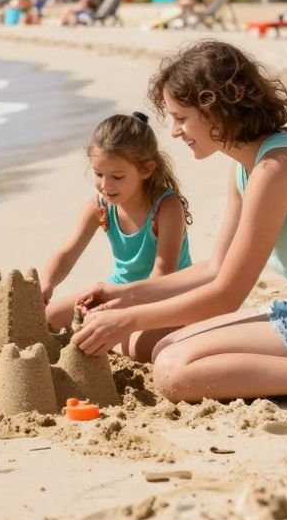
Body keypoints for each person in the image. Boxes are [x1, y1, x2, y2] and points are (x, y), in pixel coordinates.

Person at [72, 40, 287, 412]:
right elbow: (215, 268)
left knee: (173, 369)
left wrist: (126, 319)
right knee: (162, 345)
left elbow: (226, 295)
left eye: (181, 117)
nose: (173, 132)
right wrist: (125, 295)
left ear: (216, 110)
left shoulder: (277, 168)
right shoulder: (248, 167)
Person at [40, 113, 191, 360]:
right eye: (98, 174)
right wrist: (47, 282)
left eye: (117, 177)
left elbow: (162, 275)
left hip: (164, 298)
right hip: (115, 293)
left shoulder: (167, 208)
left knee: (138, 347)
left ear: (146, 169)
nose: (105, 185)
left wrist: (119, 310)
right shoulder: (100, 207)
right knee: (49, 318)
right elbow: (67, 254)